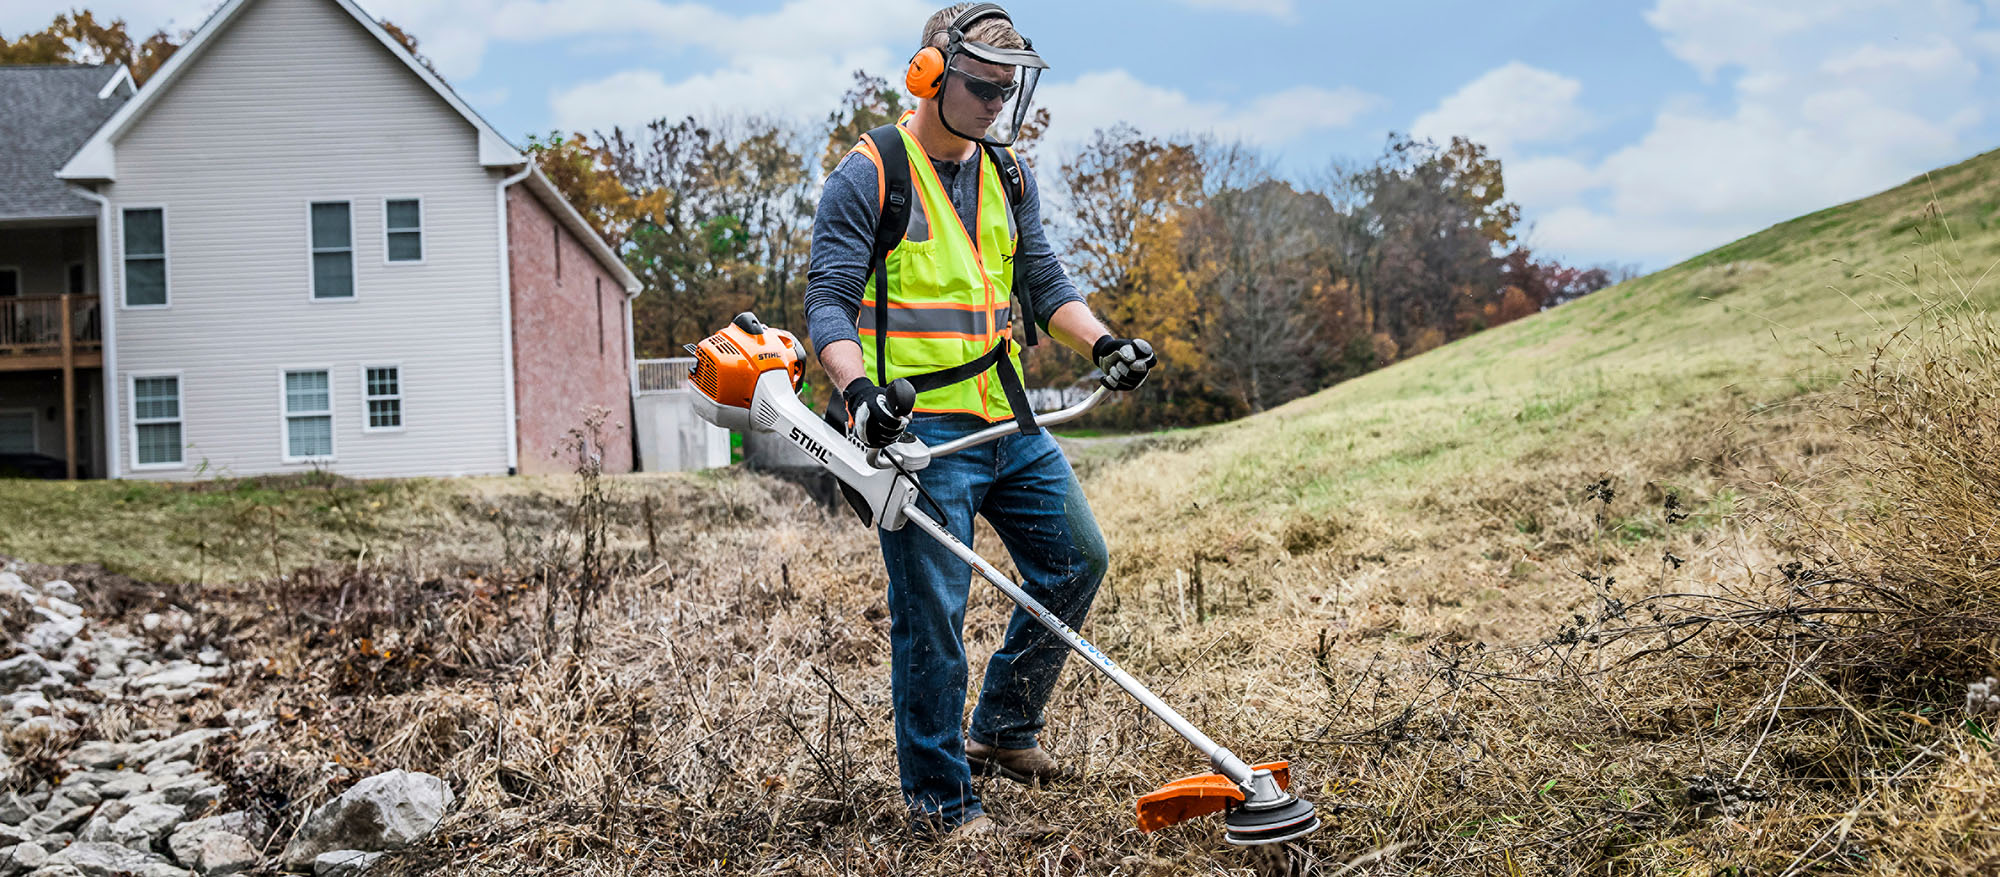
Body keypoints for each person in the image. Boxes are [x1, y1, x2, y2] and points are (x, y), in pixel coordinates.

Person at [802, 2, 1158, 841]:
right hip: (920, 438)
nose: (999, 104)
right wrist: (859, 394)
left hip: (1008, 420)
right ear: (929, 76)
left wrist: (1104, 343)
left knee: (1076, 560)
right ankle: (941, 801)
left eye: (1009, 90)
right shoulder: (870, 174)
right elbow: (828, 303)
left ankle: (1002, 726)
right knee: (932, 616)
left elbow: (1046, 283)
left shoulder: (1008, 174)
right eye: (984, 87)